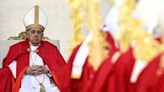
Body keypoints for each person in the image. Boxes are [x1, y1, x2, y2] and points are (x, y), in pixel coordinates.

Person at [0, 5, 66, 92]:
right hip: (25, 83)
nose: (36, 35)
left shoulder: (51, 48)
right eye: (33, 32)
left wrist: (48, 69)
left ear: (42, 35)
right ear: (27, 34)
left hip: (46, 82)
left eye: (39, 32)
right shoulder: (16, 48)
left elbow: (63, 69)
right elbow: (7, 68)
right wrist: (25, 70)